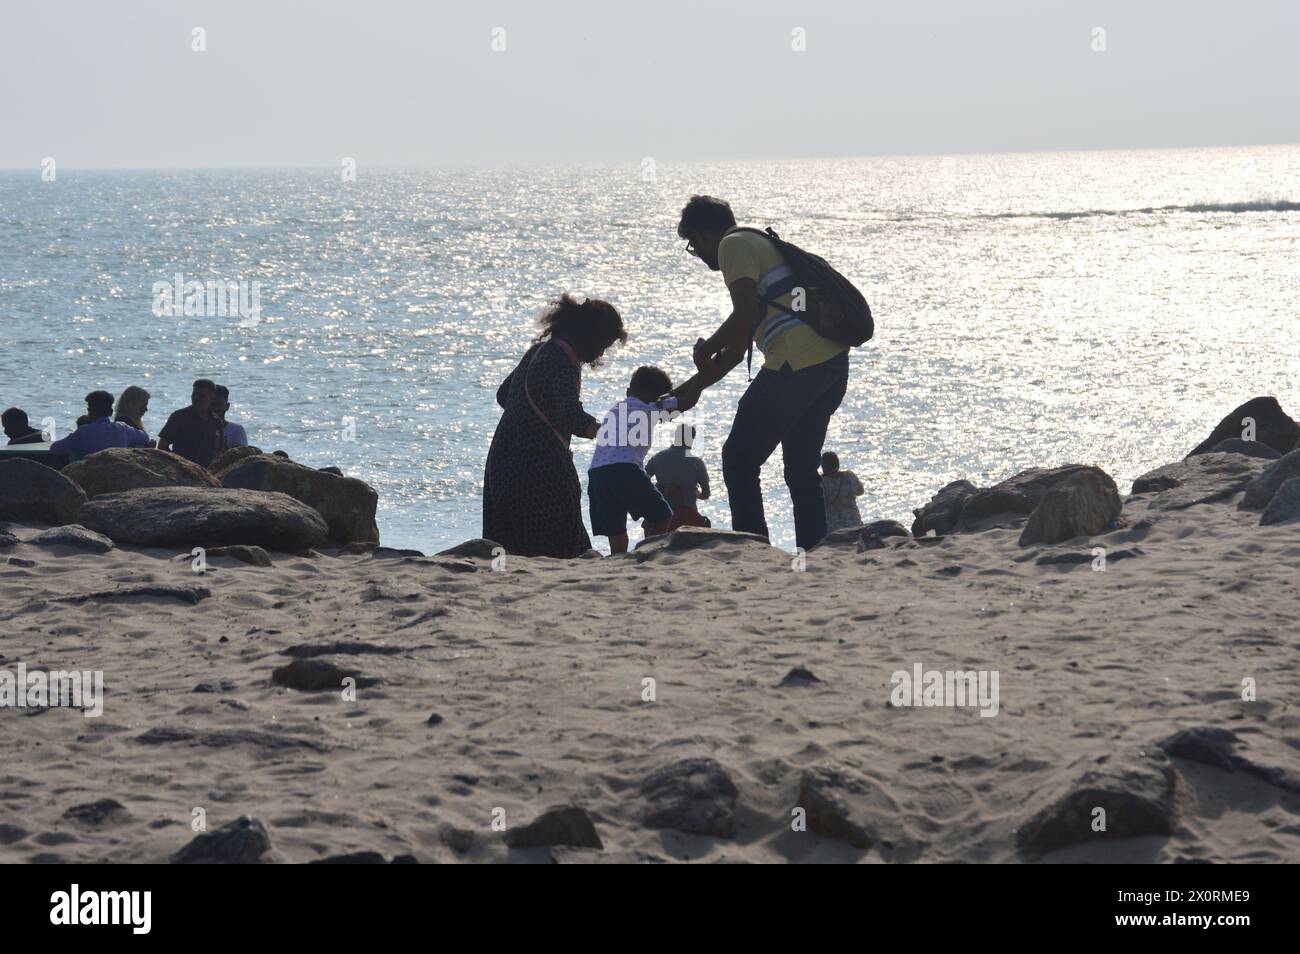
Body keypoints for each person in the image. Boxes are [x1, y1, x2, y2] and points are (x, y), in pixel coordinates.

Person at [669, 195, 850, 551]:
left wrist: (705, 348)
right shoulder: (761, 247)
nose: (700, 255)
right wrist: (694, 388)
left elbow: (744, 314)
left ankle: (751, 549)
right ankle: (813, 553)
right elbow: (737, 351)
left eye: (694, 245)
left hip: (795, 366)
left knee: (738, 458)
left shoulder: (732, 244)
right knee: (800, 469)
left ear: (706, 235)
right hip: (831, 365)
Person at [483, 294, 627, 558]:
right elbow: (570, 416)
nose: (601, 353)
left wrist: (529, 417)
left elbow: (504, 394)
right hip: (539, 470)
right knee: (562, 550)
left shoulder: (539, 351)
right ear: (591, 336)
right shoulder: (564, 362)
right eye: (603, 345)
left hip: (501, 462)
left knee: (510, 551)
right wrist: (608, 432)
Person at [587, 366, 678, 555]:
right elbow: (686, 401)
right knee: (663, 514)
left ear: (628, 391)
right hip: (624, 469)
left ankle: (617, 558)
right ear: (658, 398)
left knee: (616, 529)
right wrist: (703, 377)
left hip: (597, 473)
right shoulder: (650, 408)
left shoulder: (615, 409)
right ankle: (650, 552)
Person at [646, 421, 712, 531]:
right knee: (705, 523)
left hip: (661, 515)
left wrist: (659, 489)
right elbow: (706, 494)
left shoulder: (658, 458)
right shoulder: (697, 463)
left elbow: (643, 481)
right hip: (687, 519)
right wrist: (696, 493)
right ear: (692, 439)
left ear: (675, 437)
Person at [49, 391, 150, 456]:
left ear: (89, 411)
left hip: (94, 477)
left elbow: (54, 449)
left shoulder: (83, 432)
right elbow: (145, 437)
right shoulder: (123, 429)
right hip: (119, 473)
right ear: (110, 412)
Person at [157, 379, 225, 467]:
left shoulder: (216, 421)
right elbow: (162, 446)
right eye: (194, 394)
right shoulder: (179, 417)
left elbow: (219, 452)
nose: (196, 398)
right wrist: (178, 465)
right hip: (182, 472)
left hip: (208, 473)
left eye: (202, 395)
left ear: (212, 397)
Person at [820, 451, 864, 531]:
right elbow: (861, 491)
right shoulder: (850, 476)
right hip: (855, 524)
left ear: (823, 466)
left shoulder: (822, 483)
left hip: (835, 529)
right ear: (837, 463)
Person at [213, 385, 249, 449]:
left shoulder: (236, 430)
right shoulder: (198, 428)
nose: (215, 408)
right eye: (212, 404)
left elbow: (242, 454)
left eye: (219, 404)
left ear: (227, 406)